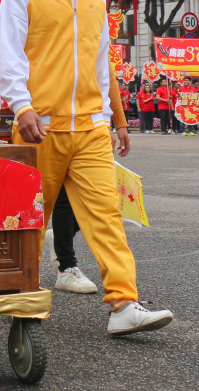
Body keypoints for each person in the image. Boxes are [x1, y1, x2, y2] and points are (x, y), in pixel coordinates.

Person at [0, 0, 172, 336]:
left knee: (106, 214)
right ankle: (18, 295)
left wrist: (114, 118)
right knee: (30, 217)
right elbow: (9, 54)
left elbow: (99, 63)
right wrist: (22, 107)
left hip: (90, 127)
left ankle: (124, 304)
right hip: (41, 126)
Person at [48, 54, 131, 295]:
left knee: (101, 204)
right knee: (59, 200)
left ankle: (123, 298)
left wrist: (117, 123)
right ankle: (65, 266)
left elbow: (107, 80)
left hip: (91, 128)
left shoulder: (94, 26)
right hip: (52, 123)